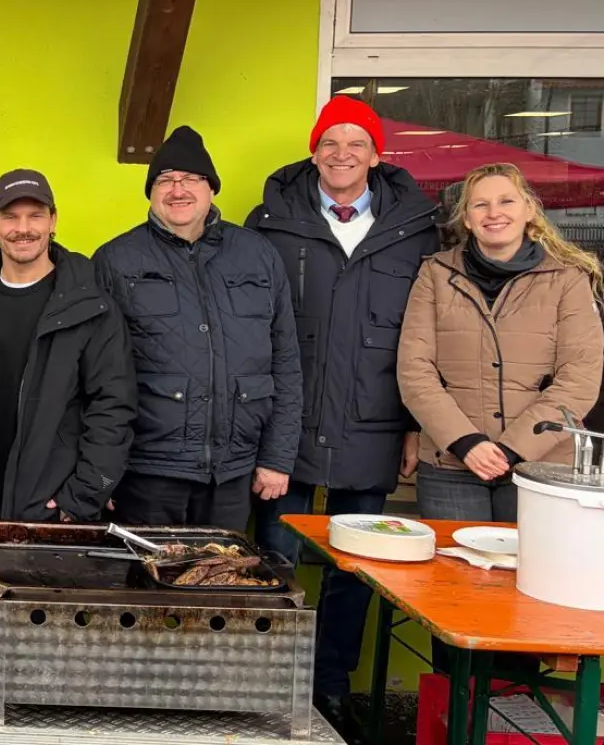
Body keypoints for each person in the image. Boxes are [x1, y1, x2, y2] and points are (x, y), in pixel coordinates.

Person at [244, 96, 439, 726]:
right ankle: (274, 681)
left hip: (372, 420)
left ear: (377, 156)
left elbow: (424, 337)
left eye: (356, 143)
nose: (342, 154)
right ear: (314, 152)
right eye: (330, 142)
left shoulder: (416, 229)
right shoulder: (271, 221)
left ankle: (330, 684)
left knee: (357, 566)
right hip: (288, 422)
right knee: (276, 557)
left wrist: (412, 426)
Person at [93, 127, 300, 531]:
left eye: (190, 179)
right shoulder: (115, 260)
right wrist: (102, 472)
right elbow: (93, 376)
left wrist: (277, 457)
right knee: (145, 587)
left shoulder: (258, 255)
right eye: (165, 180)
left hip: (233, 472)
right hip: (147, 471)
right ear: (151, 192)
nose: (178, 189)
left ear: (211, 189)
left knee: (220, 584)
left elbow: (286, 362)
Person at [398, 162, 603, 523]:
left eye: (506, 201)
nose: (494, 213)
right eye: (480, 205)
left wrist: (512, 448)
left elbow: (579, 380)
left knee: (531, 574)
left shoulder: (568, 279)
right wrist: (466, 442)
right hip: (451, 465)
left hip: (542, 467)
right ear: (466, 219)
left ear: (529, 211)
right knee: (455, 576)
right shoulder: (435, 273)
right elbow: (415, 370)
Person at [0, 171, 137, 522]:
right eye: (10, 217)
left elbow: (113, 408)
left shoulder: (92, 307)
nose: (23, 228)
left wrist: (84, 494)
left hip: (47, 508)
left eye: (35, 215)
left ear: (53, 220)